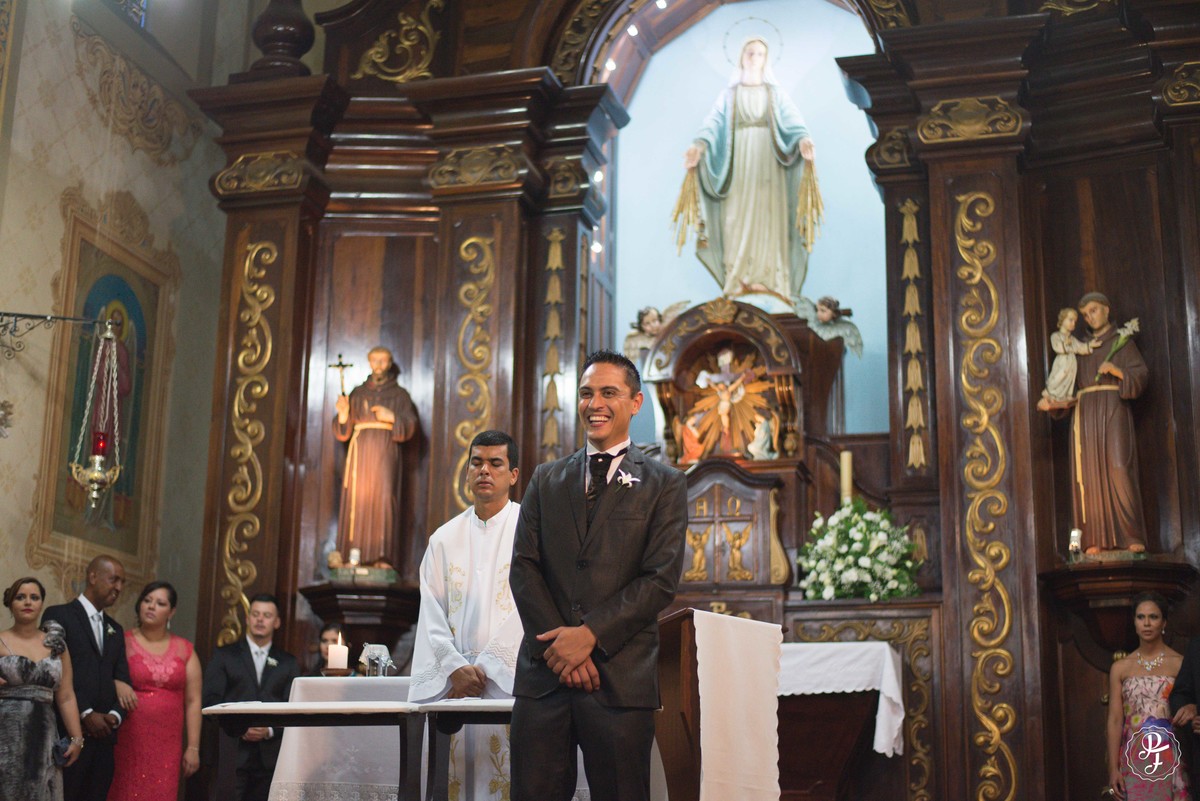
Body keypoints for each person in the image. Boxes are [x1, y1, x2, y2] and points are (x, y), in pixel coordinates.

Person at [509, 349, 689, 801]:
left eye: (609, 392)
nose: (596, 403)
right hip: (543, 678)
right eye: (587, 393)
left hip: (619, 678)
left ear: (636, 403)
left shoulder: (665, 484)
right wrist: (559, 647)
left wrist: (589, 636)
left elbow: (659, 579)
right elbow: (523, 567)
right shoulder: (545, 479)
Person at [409, 429, 525, 799]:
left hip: (510, 684)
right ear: (467, 471)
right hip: (455, 688)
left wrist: (491, 665)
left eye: (495, 463)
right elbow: (431, 611)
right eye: (477, 462)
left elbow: (535, 608)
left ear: (514, 474)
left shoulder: (531, 532)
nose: (484, 471)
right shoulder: (444, 539)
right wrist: (453, 667)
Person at [683, 37, 816, 303]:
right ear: (741, 57)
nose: (754, 58)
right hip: (739, 165)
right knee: (735, 218)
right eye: (750, 52)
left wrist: (803, 140)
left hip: (770, 165)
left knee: (771, 217)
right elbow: (713, 123)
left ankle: (775, 283)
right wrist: (698, 146)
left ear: (766, 59)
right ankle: (737, 281)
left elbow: (793, 120)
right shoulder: (729, 95)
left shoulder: (774, 94)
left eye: (760, 54)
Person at [1038, 292, 1148, 554]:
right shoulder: (1080, 345)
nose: (1090, 316)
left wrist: (1117, 371)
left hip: (1113, 408)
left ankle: (1131, 534)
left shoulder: (1120, 342)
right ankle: (1092, 539)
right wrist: (1055, 402)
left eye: (1094, 310)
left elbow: (1141, 375)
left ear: (1107, 310)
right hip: (1085, 412)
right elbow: (1067, 381)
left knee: (1119, 466)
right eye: (1085, 314)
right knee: (1088, 475)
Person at [42, 554, 130, 801]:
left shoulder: (116, 630)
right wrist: (86, 713)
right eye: (114, 579)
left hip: (104, 744)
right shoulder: (59, 615)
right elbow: (53, 673)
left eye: (122, 582)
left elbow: (122, 679)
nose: (119, 588)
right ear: (92, 577)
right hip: (68, 737)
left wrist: (114, 716)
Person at [108, 581, 202, 800]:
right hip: (129, 737)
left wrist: (194, 747)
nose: (151, 607)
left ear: (171, 612)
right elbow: (102, 679)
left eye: (160, 603)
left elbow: (194, 700)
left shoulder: (184, 649)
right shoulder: (122, 642)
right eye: (147, 601)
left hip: (167, 742)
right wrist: (117, 683)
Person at [202, 593, 300, 801]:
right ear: (247, 618)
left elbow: (295, 708)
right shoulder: (225, 655)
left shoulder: (288, 662)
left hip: (271, 759)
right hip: (232, 754)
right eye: (255, 614)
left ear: (277, 622)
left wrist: (269, 730)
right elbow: (210, 702)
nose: (260, 619)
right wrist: (240, 726)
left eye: (266, 615)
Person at [333, 345, 419, 566]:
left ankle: (382, 556)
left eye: (383, 361)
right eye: (375, 360)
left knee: (384, 498)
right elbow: (343, 431)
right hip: (360, 453)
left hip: (385, 450)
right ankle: (352, 554)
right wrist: (343, 414)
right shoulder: (358, 393)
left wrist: (392, 417)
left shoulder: (400, 395)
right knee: (357, 499)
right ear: (369, 362)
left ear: (390, 364)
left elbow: (411, 425)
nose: (379, 365)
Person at [0, 577, 84, 800]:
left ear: (41, 603)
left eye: (34, 597)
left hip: (44, 735)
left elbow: (66, 696)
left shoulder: (56, 645)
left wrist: (77, 739)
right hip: (5, 733)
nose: (28, 602)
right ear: (10, 603)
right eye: (21, 597)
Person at [1106, 592, 1188, 799]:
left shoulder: (1179, 663)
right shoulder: (1120, 668)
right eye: (1141, 617)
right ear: (1134, 622)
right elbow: (1115, 720)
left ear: (1164, 622)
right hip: (1134, 758)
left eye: (1154, 617)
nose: (1147, 623)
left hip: (1172, 755)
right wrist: (1113, 769)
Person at [1042, 307, 1100, 403]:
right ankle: (1050, 393)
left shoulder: (1072, 338)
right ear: (1062, 320)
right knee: (1059, 377)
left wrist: (1090, 345)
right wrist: (1066, 344)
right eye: (1070, 320)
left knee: (1069, 379)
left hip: (1071, 364)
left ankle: (1065, 395)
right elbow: (1058, 347)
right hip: (1062, 363)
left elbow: (1080, 347)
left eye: (1075, 322)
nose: (1073, 324)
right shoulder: (1056, 336)